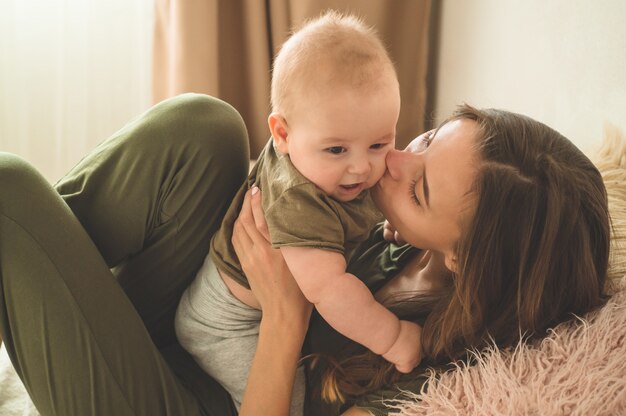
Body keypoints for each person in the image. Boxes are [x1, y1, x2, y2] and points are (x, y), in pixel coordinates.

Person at [0, 96, 609, 415]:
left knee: (9, 191)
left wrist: (284, 316)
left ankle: (29, 276)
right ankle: (32, 286)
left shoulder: (432, 372)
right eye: (426, 140)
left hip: (197, 404)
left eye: (418, 190)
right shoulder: (396, 235)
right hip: (192, 324)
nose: (391, 163)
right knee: (206, 126)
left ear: (465, 261)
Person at [174, 11, 419, 413]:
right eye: (337, 150)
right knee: (290, 402)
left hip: (247, 307)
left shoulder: (322, 152)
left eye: (379, 144)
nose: (361, 168)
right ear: (282, 135)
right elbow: (328, 291)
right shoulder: (298, 200)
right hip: (223, 326)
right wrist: (391, 338)